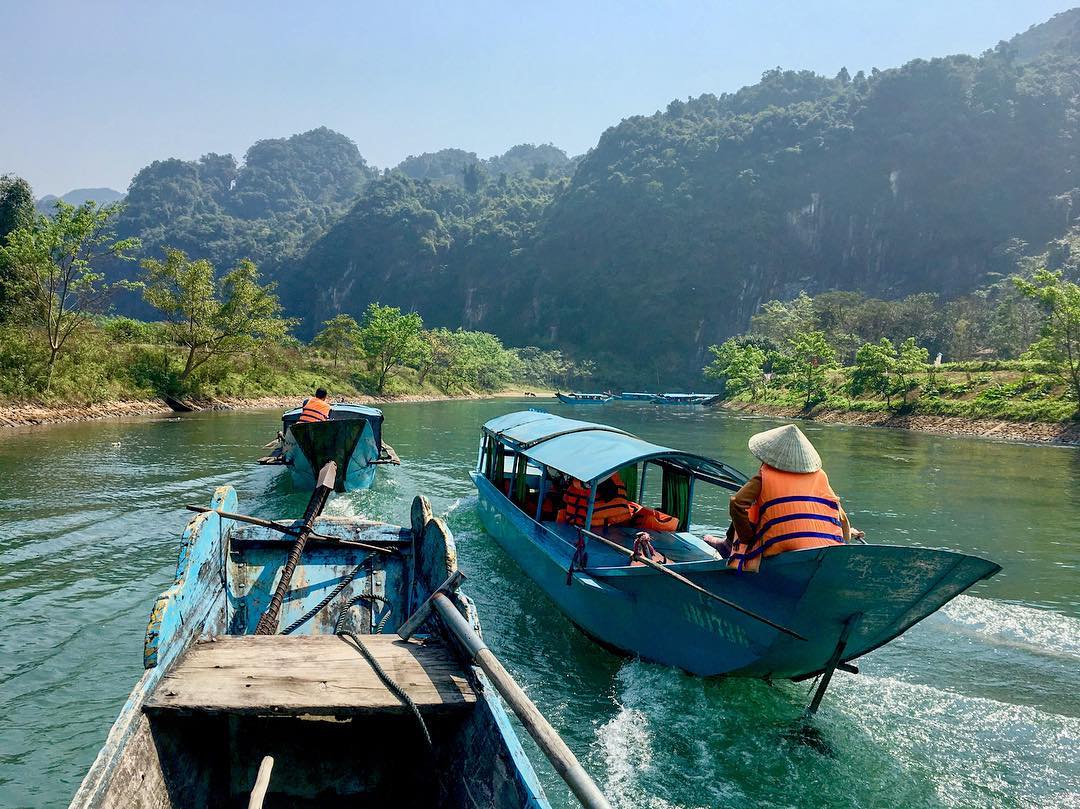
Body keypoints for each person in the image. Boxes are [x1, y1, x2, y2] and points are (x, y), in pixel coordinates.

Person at [716, 424, 862, 572]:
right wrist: (847, 535)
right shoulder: (821, 477)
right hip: (825, 549)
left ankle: (728, 547)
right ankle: (725, 544)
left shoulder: (764, 477)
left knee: (751, 511)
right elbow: (839, 514)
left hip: (781, 549)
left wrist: (747, 538)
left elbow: (737, 503)